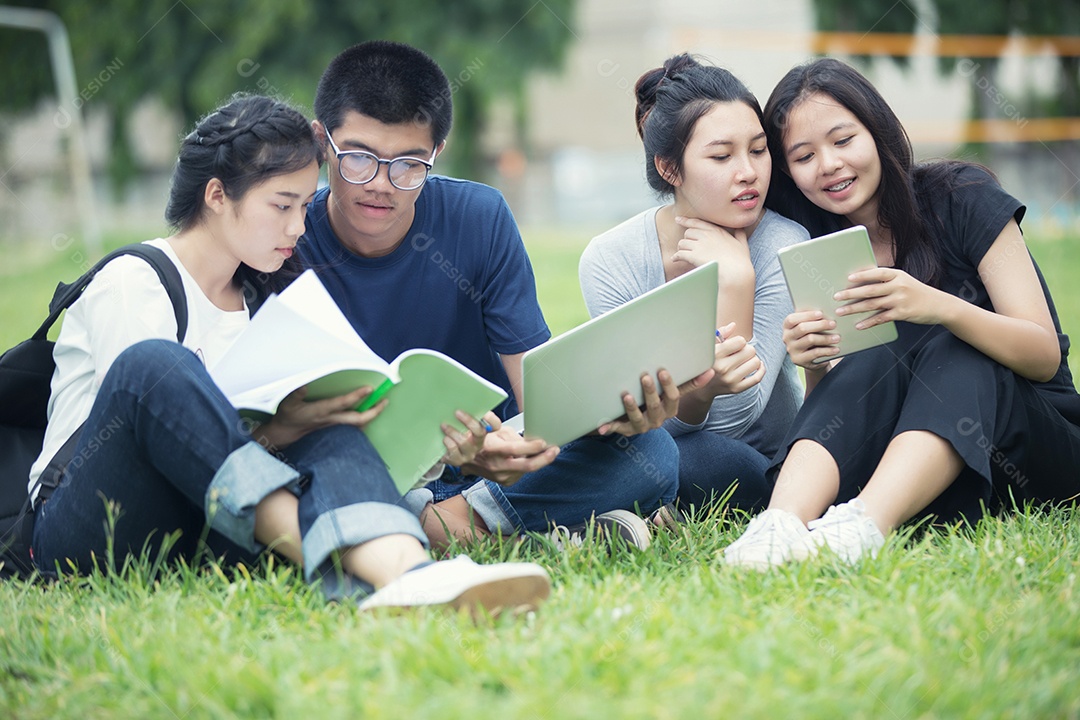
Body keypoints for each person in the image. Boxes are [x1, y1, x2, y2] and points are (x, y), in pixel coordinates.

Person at [29, 94, 551, 614]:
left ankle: (408, 574)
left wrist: (430, 434)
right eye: (281, 206)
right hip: (90, 533)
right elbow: (152, 440)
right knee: (154, 366)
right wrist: (276, 432)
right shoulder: (135, 280)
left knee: (330, 421)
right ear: (216, 195)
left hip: (200, 537)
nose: (298, 228)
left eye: (304, 207)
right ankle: (344, 568)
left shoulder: (268, 302)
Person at [299, 41, 699, 550]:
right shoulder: (288, 240)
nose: (381, 184)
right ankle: (514, 532)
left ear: (436, 154)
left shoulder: (479, 217)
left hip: (490, 468)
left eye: (408, 164)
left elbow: (539, 397)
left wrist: (578, 426)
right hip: (371, 471)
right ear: (321, 142)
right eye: (357, 158)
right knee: (305, 474)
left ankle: (445, 527)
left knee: (653, 454)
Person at [723, 58, 1080, 568]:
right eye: (803, 156)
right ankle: (778, 527)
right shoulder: (821, 247)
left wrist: (939, 307)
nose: (828, 165)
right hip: (921, 466)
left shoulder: (962, 196)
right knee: (882, 346)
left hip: (1034, 444)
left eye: (843, 140)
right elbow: (850, 411)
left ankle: (865, 526)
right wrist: (815, 361)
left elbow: (1044, 356)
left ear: (877, 131)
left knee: (951, 342)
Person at [580, 54, 807, 515]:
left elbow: (736, 419)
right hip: (650, 453)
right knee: (620, 453)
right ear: (669, 169)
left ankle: (616, 515)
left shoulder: (782, 243)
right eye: (722, 156)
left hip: (753, 462)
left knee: (707, 459)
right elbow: (635, 424)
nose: (748, 172)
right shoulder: (611, 259)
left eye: (758, 150)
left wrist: (737, 280)